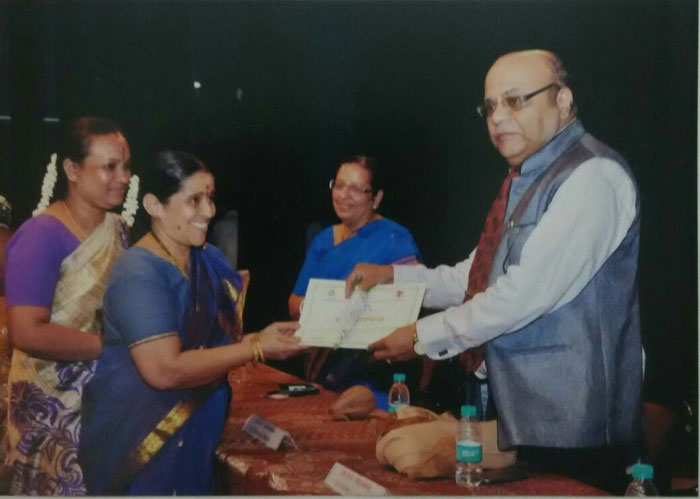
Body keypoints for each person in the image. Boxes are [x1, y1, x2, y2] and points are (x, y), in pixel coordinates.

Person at [345, 50, 642, 493]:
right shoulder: (527, 178)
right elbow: (476, 278)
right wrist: (394, 277)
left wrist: (421, 336)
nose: (498, 117)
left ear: (562, 101)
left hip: (574, 430)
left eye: (515, 101)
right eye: (490, 106)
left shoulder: (592, 176)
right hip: (520, 418)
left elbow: (521, 295)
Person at [78, 150, 305, 495]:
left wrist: (261, 338)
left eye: (210, 198)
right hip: (144, 437)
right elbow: (164, 370)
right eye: (194, 200)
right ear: (154, 205)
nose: (209, 211)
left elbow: (218, 343)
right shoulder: (138, 272)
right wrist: (256, 347)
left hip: (199, 428)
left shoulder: (208, 259)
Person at [4, 116, 132, 495]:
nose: (123, 177)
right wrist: (111, 349)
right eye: (110, 167)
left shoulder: (118, 229)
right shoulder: (40, 235)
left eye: (126, 167)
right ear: (72, 170)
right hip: (48, 414)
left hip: (107, 399)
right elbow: (26, 332)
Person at [288, 155, 421, 396]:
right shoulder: (323, 240)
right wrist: (325, 308)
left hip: (373, 372)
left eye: (356, 189)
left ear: (376, 198)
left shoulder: (395, 240)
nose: (343, 196)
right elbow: (295, 302)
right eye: (339, 185)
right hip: (322, 367)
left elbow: (413, 306)